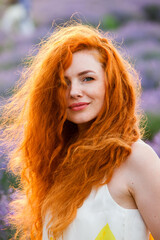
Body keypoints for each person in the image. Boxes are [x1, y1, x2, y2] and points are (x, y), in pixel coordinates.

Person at [1, 22, 160, 240]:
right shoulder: (58, 162)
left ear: (110, 84)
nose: (74, 91)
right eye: (63, 83)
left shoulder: (136, 158)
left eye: (87, 78)